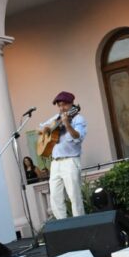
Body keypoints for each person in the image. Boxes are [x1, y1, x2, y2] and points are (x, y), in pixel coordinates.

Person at [39, 91, 86, 219]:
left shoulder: (78, 119)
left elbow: (78, 137)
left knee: (74, 196)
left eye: (64, 105)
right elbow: (41, 129)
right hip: (55, 163)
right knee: (55, 197)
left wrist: (67, 125)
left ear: (71, 104)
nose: (61, 108)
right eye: (59, 105)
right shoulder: (56, 118)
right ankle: (62, 223)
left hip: (70, 161)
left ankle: (80, 224)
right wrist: (45, 130)